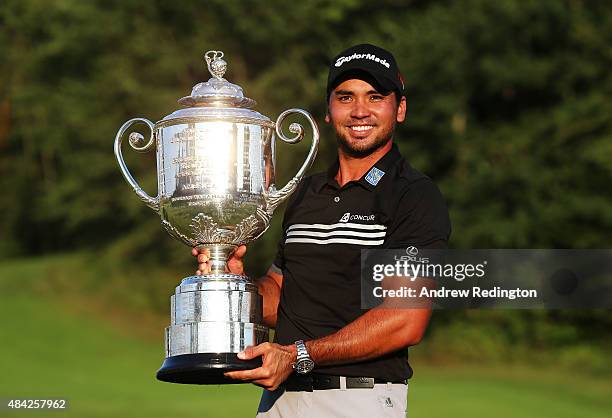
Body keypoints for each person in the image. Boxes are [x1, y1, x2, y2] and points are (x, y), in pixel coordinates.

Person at [192, 44, 451, 417]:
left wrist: (298, 356)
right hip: (280, 400)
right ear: (329, 111)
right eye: (345, 97)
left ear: (400, 108)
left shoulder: (413, 195)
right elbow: (282, 297)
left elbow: (405, 320)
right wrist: (236, 282)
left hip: (357, 400)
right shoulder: (306, 192)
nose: (360, 111)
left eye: (375, 97)